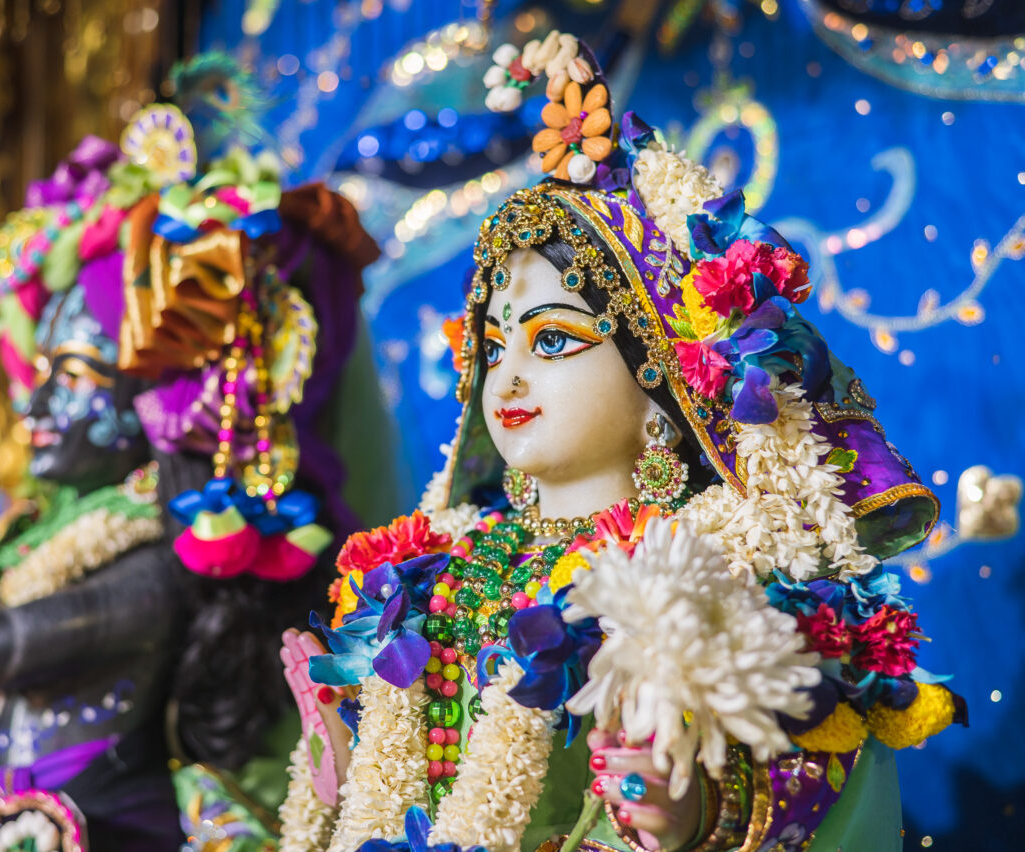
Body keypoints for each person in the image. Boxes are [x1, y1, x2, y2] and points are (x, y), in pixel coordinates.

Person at [276, 33, 962, 852]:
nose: (510, 378)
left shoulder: (702, 569)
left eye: (555, 341)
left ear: (659, 388)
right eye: (494, 349)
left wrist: (688, 812)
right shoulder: (438, 568)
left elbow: (810, 757)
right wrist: (339, 745)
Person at [0, 97, 386, 850]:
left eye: (68, 374)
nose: (32, 402)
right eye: (36, 370)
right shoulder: (57, 536)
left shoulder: (158, 567)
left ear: (158, 402)